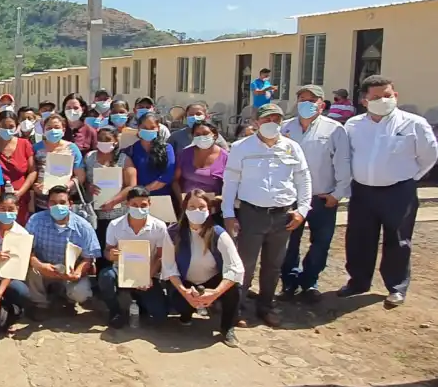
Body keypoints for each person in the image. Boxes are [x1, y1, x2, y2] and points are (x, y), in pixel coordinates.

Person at [341, 75, 438, 307]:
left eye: (388, 95)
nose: (384, 100)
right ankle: (358, 282)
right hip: (362, 192)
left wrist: (410, 179)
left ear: (395, 96)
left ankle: (396, 287)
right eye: (376, 97)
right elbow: (347, 157)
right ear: (365, 100)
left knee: (398, 240)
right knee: (359, 239)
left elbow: (429, 156)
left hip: (399, 192)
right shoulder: (353, 125)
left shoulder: (413, 123)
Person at [222, 103, 311, 327]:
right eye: (266, 119)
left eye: (276, 119)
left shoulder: (292, 148)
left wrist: (302, 210)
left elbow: (303, 179)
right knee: (245, 264)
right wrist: (228, 214)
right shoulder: (241, 147)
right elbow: (230, 181)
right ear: (256, 123)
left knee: (273, 265)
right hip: (252, 214)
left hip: (283, 216)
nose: (272, 123)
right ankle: (238, 307)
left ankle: (266, 306)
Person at [279, 85, 351, 303]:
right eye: (302, 98)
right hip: (291, 198)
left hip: (322, 197)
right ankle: (288, 283)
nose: (306, 103)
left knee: (320, 243)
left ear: (322, 104)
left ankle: (310, 282)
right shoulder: (285, 128)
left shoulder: (335, 129)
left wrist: (337, 194)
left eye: (312, 99)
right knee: (288, 243)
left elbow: (343, 163)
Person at [163, 190, 244, 346]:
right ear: (184, 208)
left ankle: (227, 328)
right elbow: (169, 267)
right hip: (186, 282)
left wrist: (215, 293)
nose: (197, 211)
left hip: (213, 281)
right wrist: (185, 292)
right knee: (181, 303)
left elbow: (236, 268)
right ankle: (186, 314)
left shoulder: (219, 234)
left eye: (201, 207)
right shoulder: (173, 233)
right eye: (192, 206)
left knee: (234, 289)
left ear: (209, 209)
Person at [98, 186, 171, 327]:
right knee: (105, 276)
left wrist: (147, 277)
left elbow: (161, 256)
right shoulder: (115, 225)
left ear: (150, 204)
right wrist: (111, 255)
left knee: (160, 315)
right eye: (134, 205)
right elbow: (107, 251)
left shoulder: (159, 226)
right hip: (121, 271)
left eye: (143, 205)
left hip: (148, 274)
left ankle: (139, 299)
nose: (139, 208)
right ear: (127, 205)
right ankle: (115, 311)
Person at [26, 186, 101, 319]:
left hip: (70, 271)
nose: (57, 206)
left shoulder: (84, 226)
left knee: (81, 292)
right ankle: (40, 305)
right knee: (31, 269)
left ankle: (70, 301)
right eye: (53, 203)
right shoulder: (35, 221)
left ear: (70, 204)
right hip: (44, 268)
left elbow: (88, 257)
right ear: (47, 204)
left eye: (62, 202)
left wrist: (78, 273)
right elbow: (27, 249)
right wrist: (39, 265)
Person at [0, 193, 33, 339]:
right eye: (2, 208)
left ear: (17, 210)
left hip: (5, 280)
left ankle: (2, 311)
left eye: (11, 209)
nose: (7, 212)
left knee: (22, 293)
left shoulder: (22, 234)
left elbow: (12, 270)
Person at [84, 126, 135, 251]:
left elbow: (131, 186)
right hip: (95, 214)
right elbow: (83, 180)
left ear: (116, 141)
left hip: (118, 214)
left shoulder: (124, 159)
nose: (103, 142)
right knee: (98, 247)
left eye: (107, 139)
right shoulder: (89, 157)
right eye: (100, 139)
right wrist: (88, 186)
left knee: (115, 249)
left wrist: (113, 201)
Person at [0, 110, 36, 225]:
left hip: (20, 200)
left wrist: (21, 192)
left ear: (17, 127)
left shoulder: (24, 144)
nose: (7, 129)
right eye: (3, 126)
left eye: (11, 126)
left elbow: (32, 171)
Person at [32, 114, 84, 213]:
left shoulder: (72, 148)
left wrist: (67, 186)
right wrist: (35, 187)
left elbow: (80, 176)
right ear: (44, 131)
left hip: (64, 202)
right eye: (49, 128)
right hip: (41, 203)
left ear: (63, 130)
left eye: (56, 127)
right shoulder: (35, 148)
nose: (53, 131)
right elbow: (31, 172)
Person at [124, 112, 176, 197]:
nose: (148, 131)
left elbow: (167, 175)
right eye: (145, 128)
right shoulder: (131, 150)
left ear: (158, 128)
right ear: (139, 128)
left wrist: (143, 191)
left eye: (152, 128)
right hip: (139, 200)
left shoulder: (167, 148)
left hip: (162, 198)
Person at [173, 119, 228, 197]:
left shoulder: (225, 157)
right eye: (197, 135)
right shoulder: (184, 154)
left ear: (215, 135)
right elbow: (175, 181)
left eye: (205, 134)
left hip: (213, 205)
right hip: (187, 204)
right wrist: (181, 202)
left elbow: (230, 185)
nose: (202, 137)